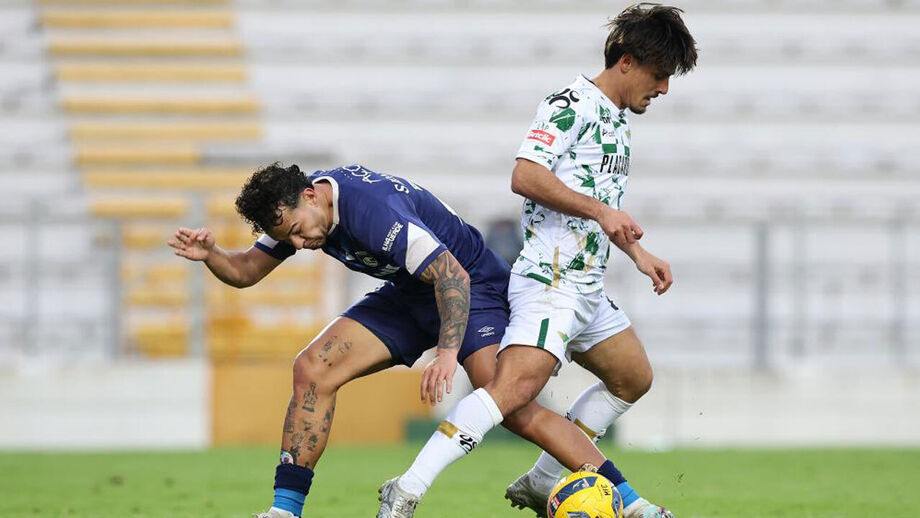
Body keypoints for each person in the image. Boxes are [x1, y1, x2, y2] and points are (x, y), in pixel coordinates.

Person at [378, 4, 697, 518]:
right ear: (628, 62)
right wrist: (601, 211)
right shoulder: (570, 104)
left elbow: (599, 206)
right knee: (510, 393)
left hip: (586, 285)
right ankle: (408, 488)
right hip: (551, 280)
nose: (663, 89)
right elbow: (525, 175)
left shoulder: (618, 119)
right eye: (659, 76)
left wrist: (637, 252)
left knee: (633, 377)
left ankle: (542, 480)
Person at [169, 163, 623, 518]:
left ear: (311, 194)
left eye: (297, 230)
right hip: (409, 293)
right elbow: (247, 271)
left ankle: (626, 496)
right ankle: (285, 508)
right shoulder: (301, 212)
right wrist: (211, 255)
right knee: (312, 368)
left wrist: (446, 354)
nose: (301, 244)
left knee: (509, 403)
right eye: (289, 237)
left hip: (472, 288)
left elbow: (451, 275)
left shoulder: (371, 210)